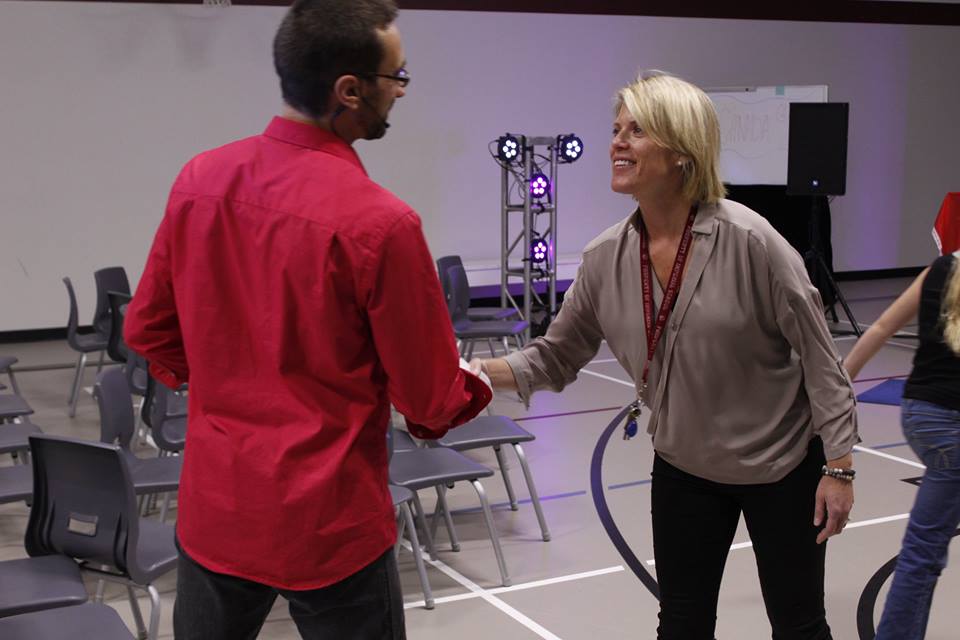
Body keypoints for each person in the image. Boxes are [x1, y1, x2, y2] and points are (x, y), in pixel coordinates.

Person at [124, 1, 492, 638]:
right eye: (397, 76)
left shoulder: (200, 180)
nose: (402, 91)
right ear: (349, 90)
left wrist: (228, 384)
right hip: (329, 525)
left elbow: (149, 329)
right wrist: (475, 384)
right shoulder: (382, 224)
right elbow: (429, 401)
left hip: (219, 509)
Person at [475, 71, 858, 640]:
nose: (618, 142)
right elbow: (553, 358)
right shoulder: (605, 257)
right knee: (681, 624)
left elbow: (823, 363)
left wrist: (839, 467)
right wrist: (473, 375)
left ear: (682, 151)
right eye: (616, 129)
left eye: (637, 130)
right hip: (685, 467)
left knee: (798, 625)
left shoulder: (753, 242)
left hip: (780, 467)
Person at [844, 253, 960, 639]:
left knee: (925, 545)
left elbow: (880, 328)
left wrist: (839, 390)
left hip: (918, 414)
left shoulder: (942, 268)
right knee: (924, 550)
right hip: (951, 427)